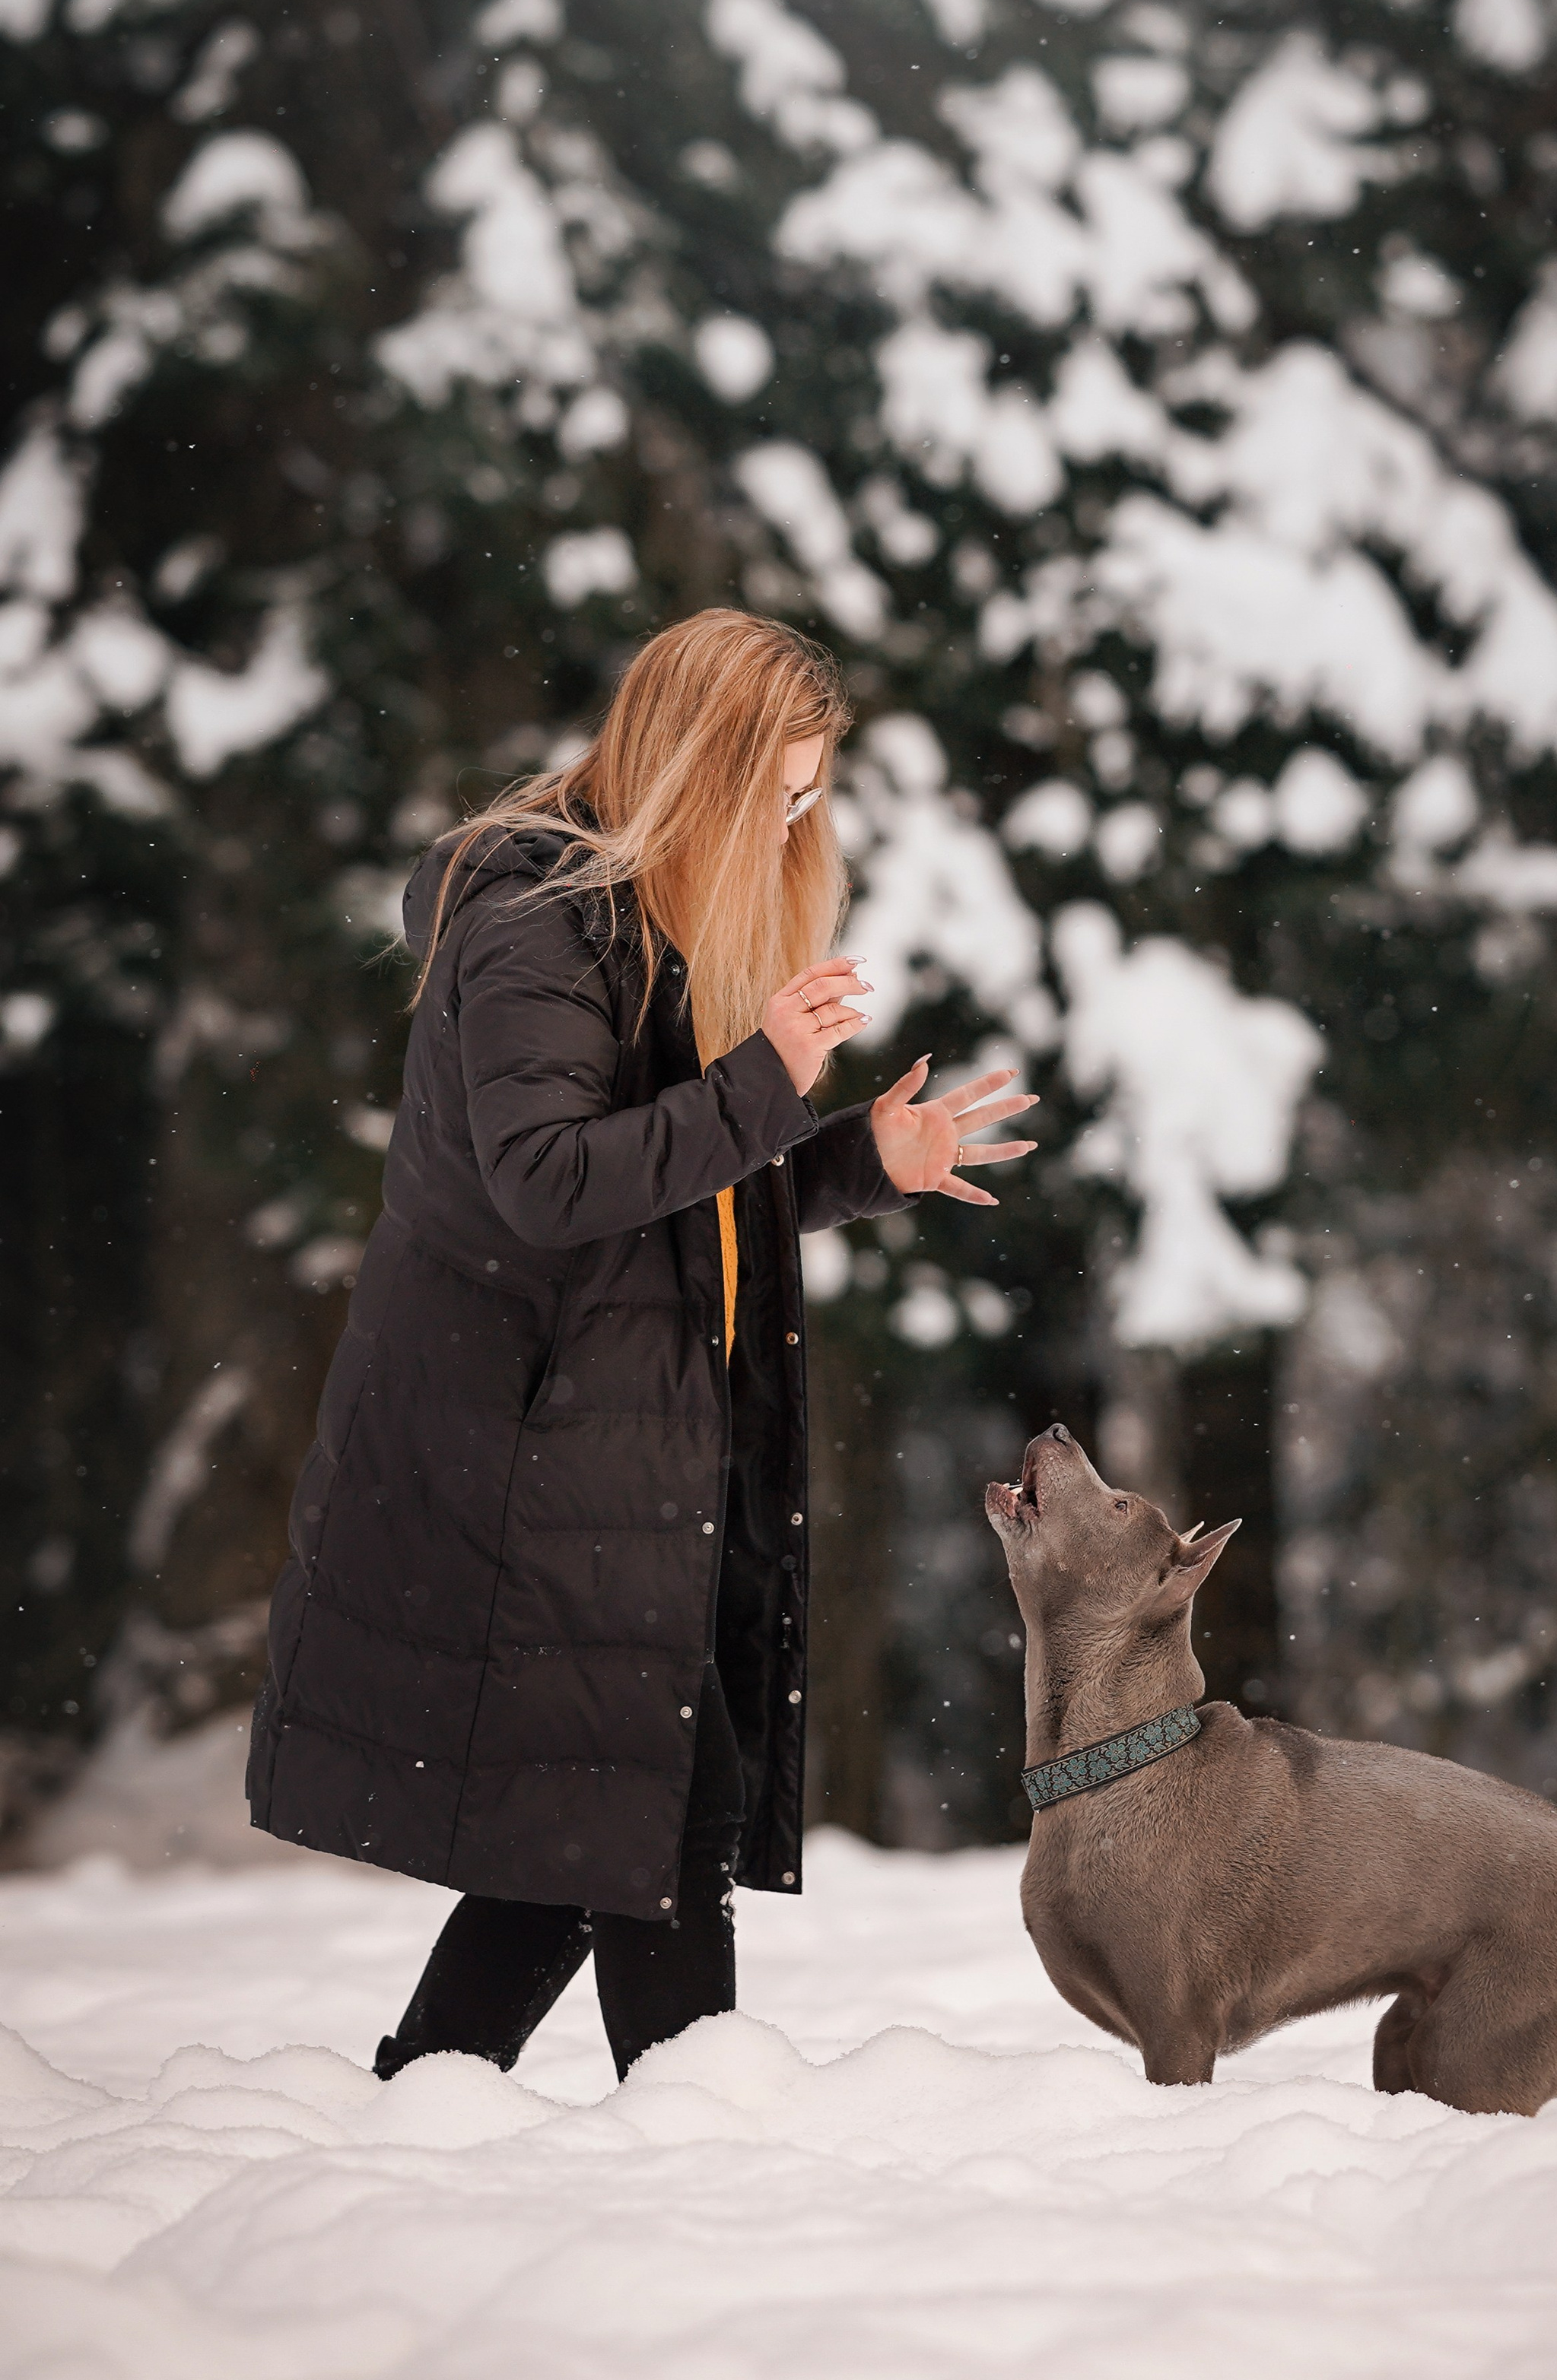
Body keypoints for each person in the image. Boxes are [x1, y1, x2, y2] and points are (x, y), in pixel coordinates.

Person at [246, 608, 1034, 2080]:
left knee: (599, 1817)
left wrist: (867, 1156)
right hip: (526, 1450)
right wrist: (764, 1078)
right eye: (775, 788)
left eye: (814, 790)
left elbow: (676, 1205)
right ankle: (701, 2146)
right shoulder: (543, 922)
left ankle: (421, 2101)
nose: (798, 819)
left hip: (603, 1444)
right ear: (695, 767)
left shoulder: (654, 919)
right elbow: (554, 1183)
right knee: (660, 1805)